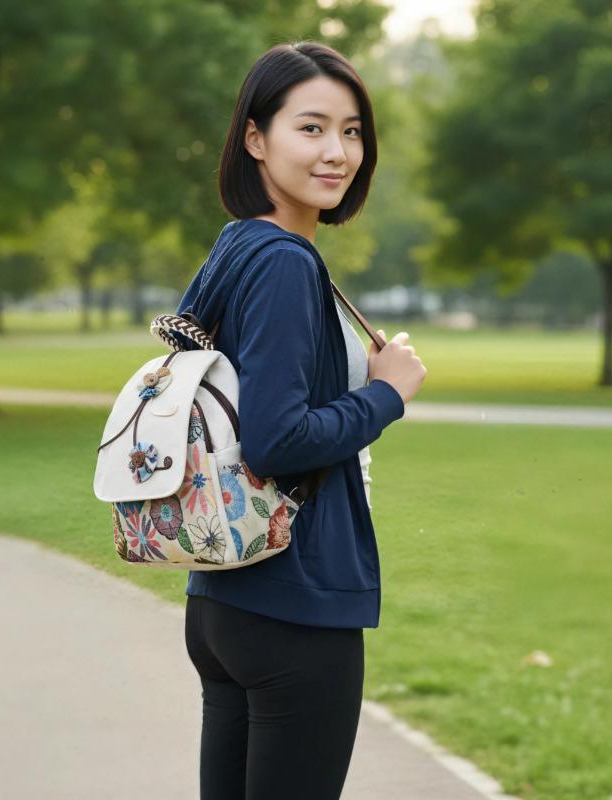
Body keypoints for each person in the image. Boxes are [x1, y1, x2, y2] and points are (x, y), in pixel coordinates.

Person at [177, 40, 427, 800]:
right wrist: (387, 393)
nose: (338, 152)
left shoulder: (238, 245)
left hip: (222, 599)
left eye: (352, 131)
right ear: (256, 138)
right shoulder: (285, 261)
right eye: (311, 128)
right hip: (294, 600)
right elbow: (278, 439)